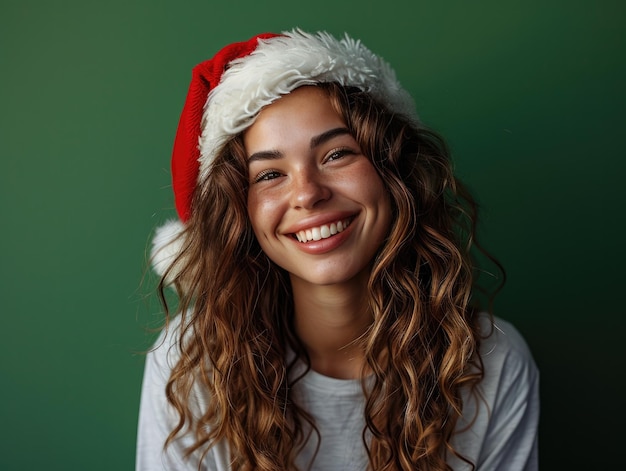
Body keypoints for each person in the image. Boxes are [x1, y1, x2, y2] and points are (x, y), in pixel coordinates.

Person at [136, 29, 539, 471]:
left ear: (393, 172)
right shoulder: (192, 361)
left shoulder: (493, 363)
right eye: (269, 175)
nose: (307, 194)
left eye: (336, 154)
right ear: (240, 214)